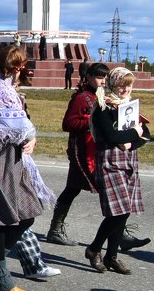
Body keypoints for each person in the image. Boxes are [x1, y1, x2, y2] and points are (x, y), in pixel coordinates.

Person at [0, 45, 50, 291]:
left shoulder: (9, 92)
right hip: (0, 161)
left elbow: (23, 128)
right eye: (21, 66)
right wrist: (27, 135)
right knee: (4, 218)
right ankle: (1, 279)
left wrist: (31, 139)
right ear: (17, 68)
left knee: (28, 214)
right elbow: (9, 128)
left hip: (16, 159)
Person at [85, 68, 149, 275]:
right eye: (122, 84)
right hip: (109, 162)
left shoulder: (128, 106)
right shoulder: (104, 107)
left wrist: (131, 143)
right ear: (112, 83)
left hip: (128, 161)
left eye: (129, 84)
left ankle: (111, 256)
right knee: (117, 212)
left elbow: (146, 133)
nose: (125, 89)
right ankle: (94, 248)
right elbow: (112, 136)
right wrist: (133, 134)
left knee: (125, 210)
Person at [46, 62, 109, 246]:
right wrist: (92, 122)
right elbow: (68, 124)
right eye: (99, 77)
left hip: (95, 150)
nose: (103, 81)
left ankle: (118, 230)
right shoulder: (82, 98)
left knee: (73, 189)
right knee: (82, 188)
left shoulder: (100, 96)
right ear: (88, 77)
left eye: (105, 77)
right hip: (81, 151)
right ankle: (55, 229)